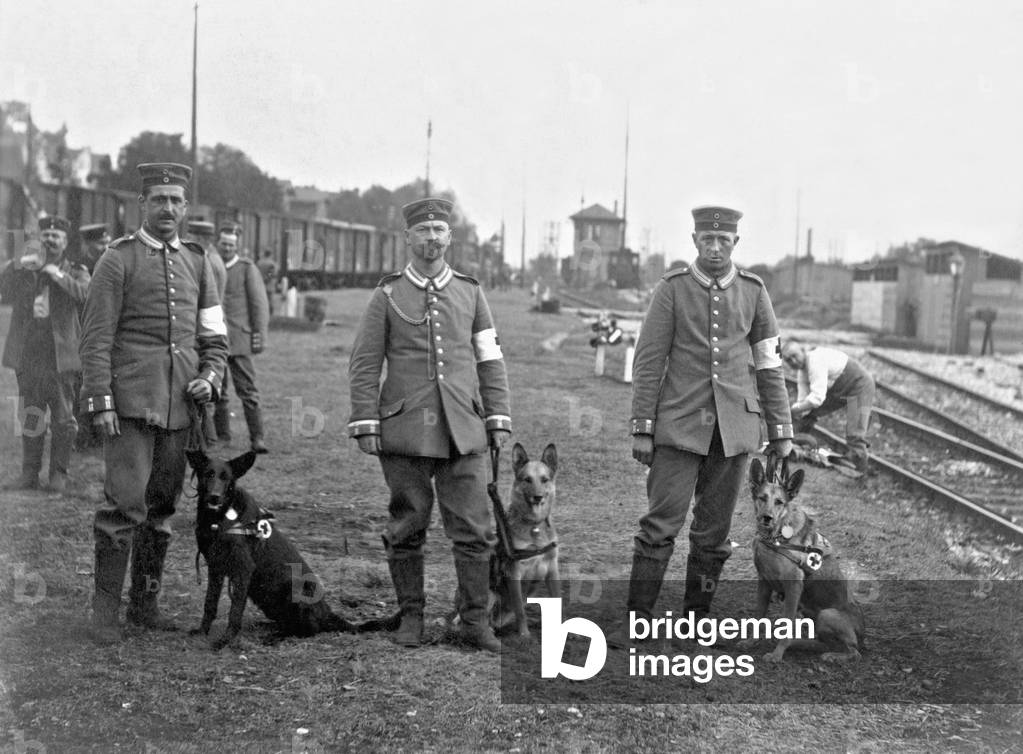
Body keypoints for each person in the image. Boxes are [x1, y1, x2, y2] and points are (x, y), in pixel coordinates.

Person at [611, 205, 793, 646]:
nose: (715, 247)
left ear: (735, 243)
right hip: (678, 427)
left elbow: (769, 364)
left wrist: (781, 428)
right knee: (660, 524)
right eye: (707, 240)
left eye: (724, 240)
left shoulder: (753, 291)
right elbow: (649, 359)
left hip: (734, 433)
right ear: (694, 240)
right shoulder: (672, 289)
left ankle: (697, 621)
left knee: (715, 533)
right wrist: (643, 425)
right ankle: (638, 621)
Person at [348, 197, 512, 653]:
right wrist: (366, 420)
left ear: (450, 237)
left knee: (476, 529)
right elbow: (364, 363)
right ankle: (412, 617)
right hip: (405, 433)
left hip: (464, 430)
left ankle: (475, 622)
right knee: (407, 525)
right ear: (408, 237)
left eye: (440, 229)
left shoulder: (471, 292)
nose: (432, 238)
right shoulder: (386, 295)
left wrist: (497, 417)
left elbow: (490, 359)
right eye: (424, 230)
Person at [80, 162, 228, 644]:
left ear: (186, 208)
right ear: (141, 205)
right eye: (159, 199)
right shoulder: (117, 260)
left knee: (162, 510)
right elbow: (96, 339)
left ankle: (145, 606)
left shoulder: (198, 261)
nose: (167, 208)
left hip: (179, 408)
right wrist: (100, 399)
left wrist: (209, 376)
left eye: (175, 200)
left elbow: (214, 338)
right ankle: (104, 614)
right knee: (125, 507)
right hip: (128, 405)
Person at [1, 216, 91, 493]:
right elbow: (3, 290)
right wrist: (16, 265)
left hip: (60, 357)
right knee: (30, 414)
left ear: (65, 243)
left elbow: (86, 295)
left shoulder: (76, 271)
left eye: (56, 236)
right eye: (46, 235)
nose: (50, 239)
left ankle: (58, 475)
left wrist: (57, 274)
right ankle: (29, 473)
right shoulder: (25, 268)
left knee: (63, 418)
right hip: (29, 355)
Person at [213, 222, 270, 454]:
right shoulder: (210, 264)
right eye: (223, 244)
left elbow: (259, 305)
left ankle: (257, 438)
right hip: (215, 340)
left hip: (240, 340)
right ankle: (223, 437)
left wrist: (259, 337)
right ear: (218, 243)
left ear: (237, 246)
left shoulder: (247, 268)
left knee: (248, 391)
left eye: (231, 245)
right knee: (219, 392)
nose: (227, 248)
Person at [781, 339, 875, 474]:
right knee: (808, 414)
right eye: (789, 360)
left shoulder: (814, 360)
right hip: (841, 387)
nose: (793, 362)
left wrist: (792, 410)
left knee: (854, 434)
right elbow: (803, 402)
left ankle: (862, 473)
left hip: (859, 384)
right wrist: (793, 412)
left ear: (803, 350)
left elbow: (816, 400)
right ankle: (797, 446)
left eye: (795, 356)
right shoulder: (802, 372)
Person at [256, 248, 279, 315]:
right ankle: (270, 314)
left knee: (261, 300)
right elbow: (271, 274)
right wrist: (267, 279)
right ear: (271, 255)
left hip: (260, 285)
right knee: (269, 301)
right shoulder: (272, 263)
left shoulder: (259, 263)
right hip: (269, 286)